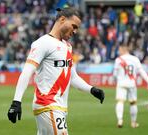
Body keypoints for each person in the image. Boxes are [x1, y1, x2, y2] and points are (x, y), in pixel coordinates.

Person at [7, 7, 105, 135]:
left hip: (60, 107)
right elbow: (27, 71)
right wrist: (16, 101)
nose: (75, 31)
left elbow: (72, 77)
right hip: (48, 105)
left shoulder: (67, 46)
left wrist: (91, 89)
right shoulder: (43, 43)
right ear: (62, 19)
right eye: (74, 26)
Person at [113, 44, 148, 128]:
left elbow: (115, 74)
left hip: (121, 83)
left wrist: (115, 80)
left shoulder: (118, 60)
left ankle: (120, 120)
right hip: (131, 83)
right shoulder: (135, 59)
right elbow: (141, 71)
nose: (119, 52)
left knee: (120, 101)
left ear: (124, 50)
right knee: (133, 103)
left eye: (120, 50)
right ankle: (133, 123)